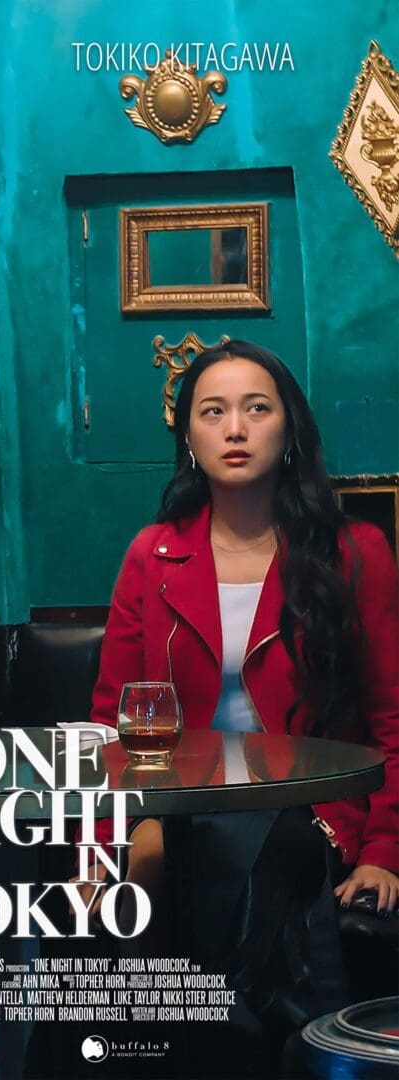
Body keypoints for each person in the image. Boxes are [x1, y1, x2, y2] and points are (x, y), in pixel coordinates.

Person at [83, 340, 398, 971]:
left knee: (247, 848)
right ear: (189, 438)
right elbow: (107, 723)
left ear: (290, 430)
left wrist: (384, 849)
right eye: (212, 412)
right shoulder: (153, 554)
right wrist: (99, 843)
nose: (235, 429)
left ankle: (212, 1034)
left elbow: (393, 719)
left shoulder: (356, 551)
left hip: (308, 811)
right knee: (136, 867)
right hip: (177, 804)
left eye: (257, 409)